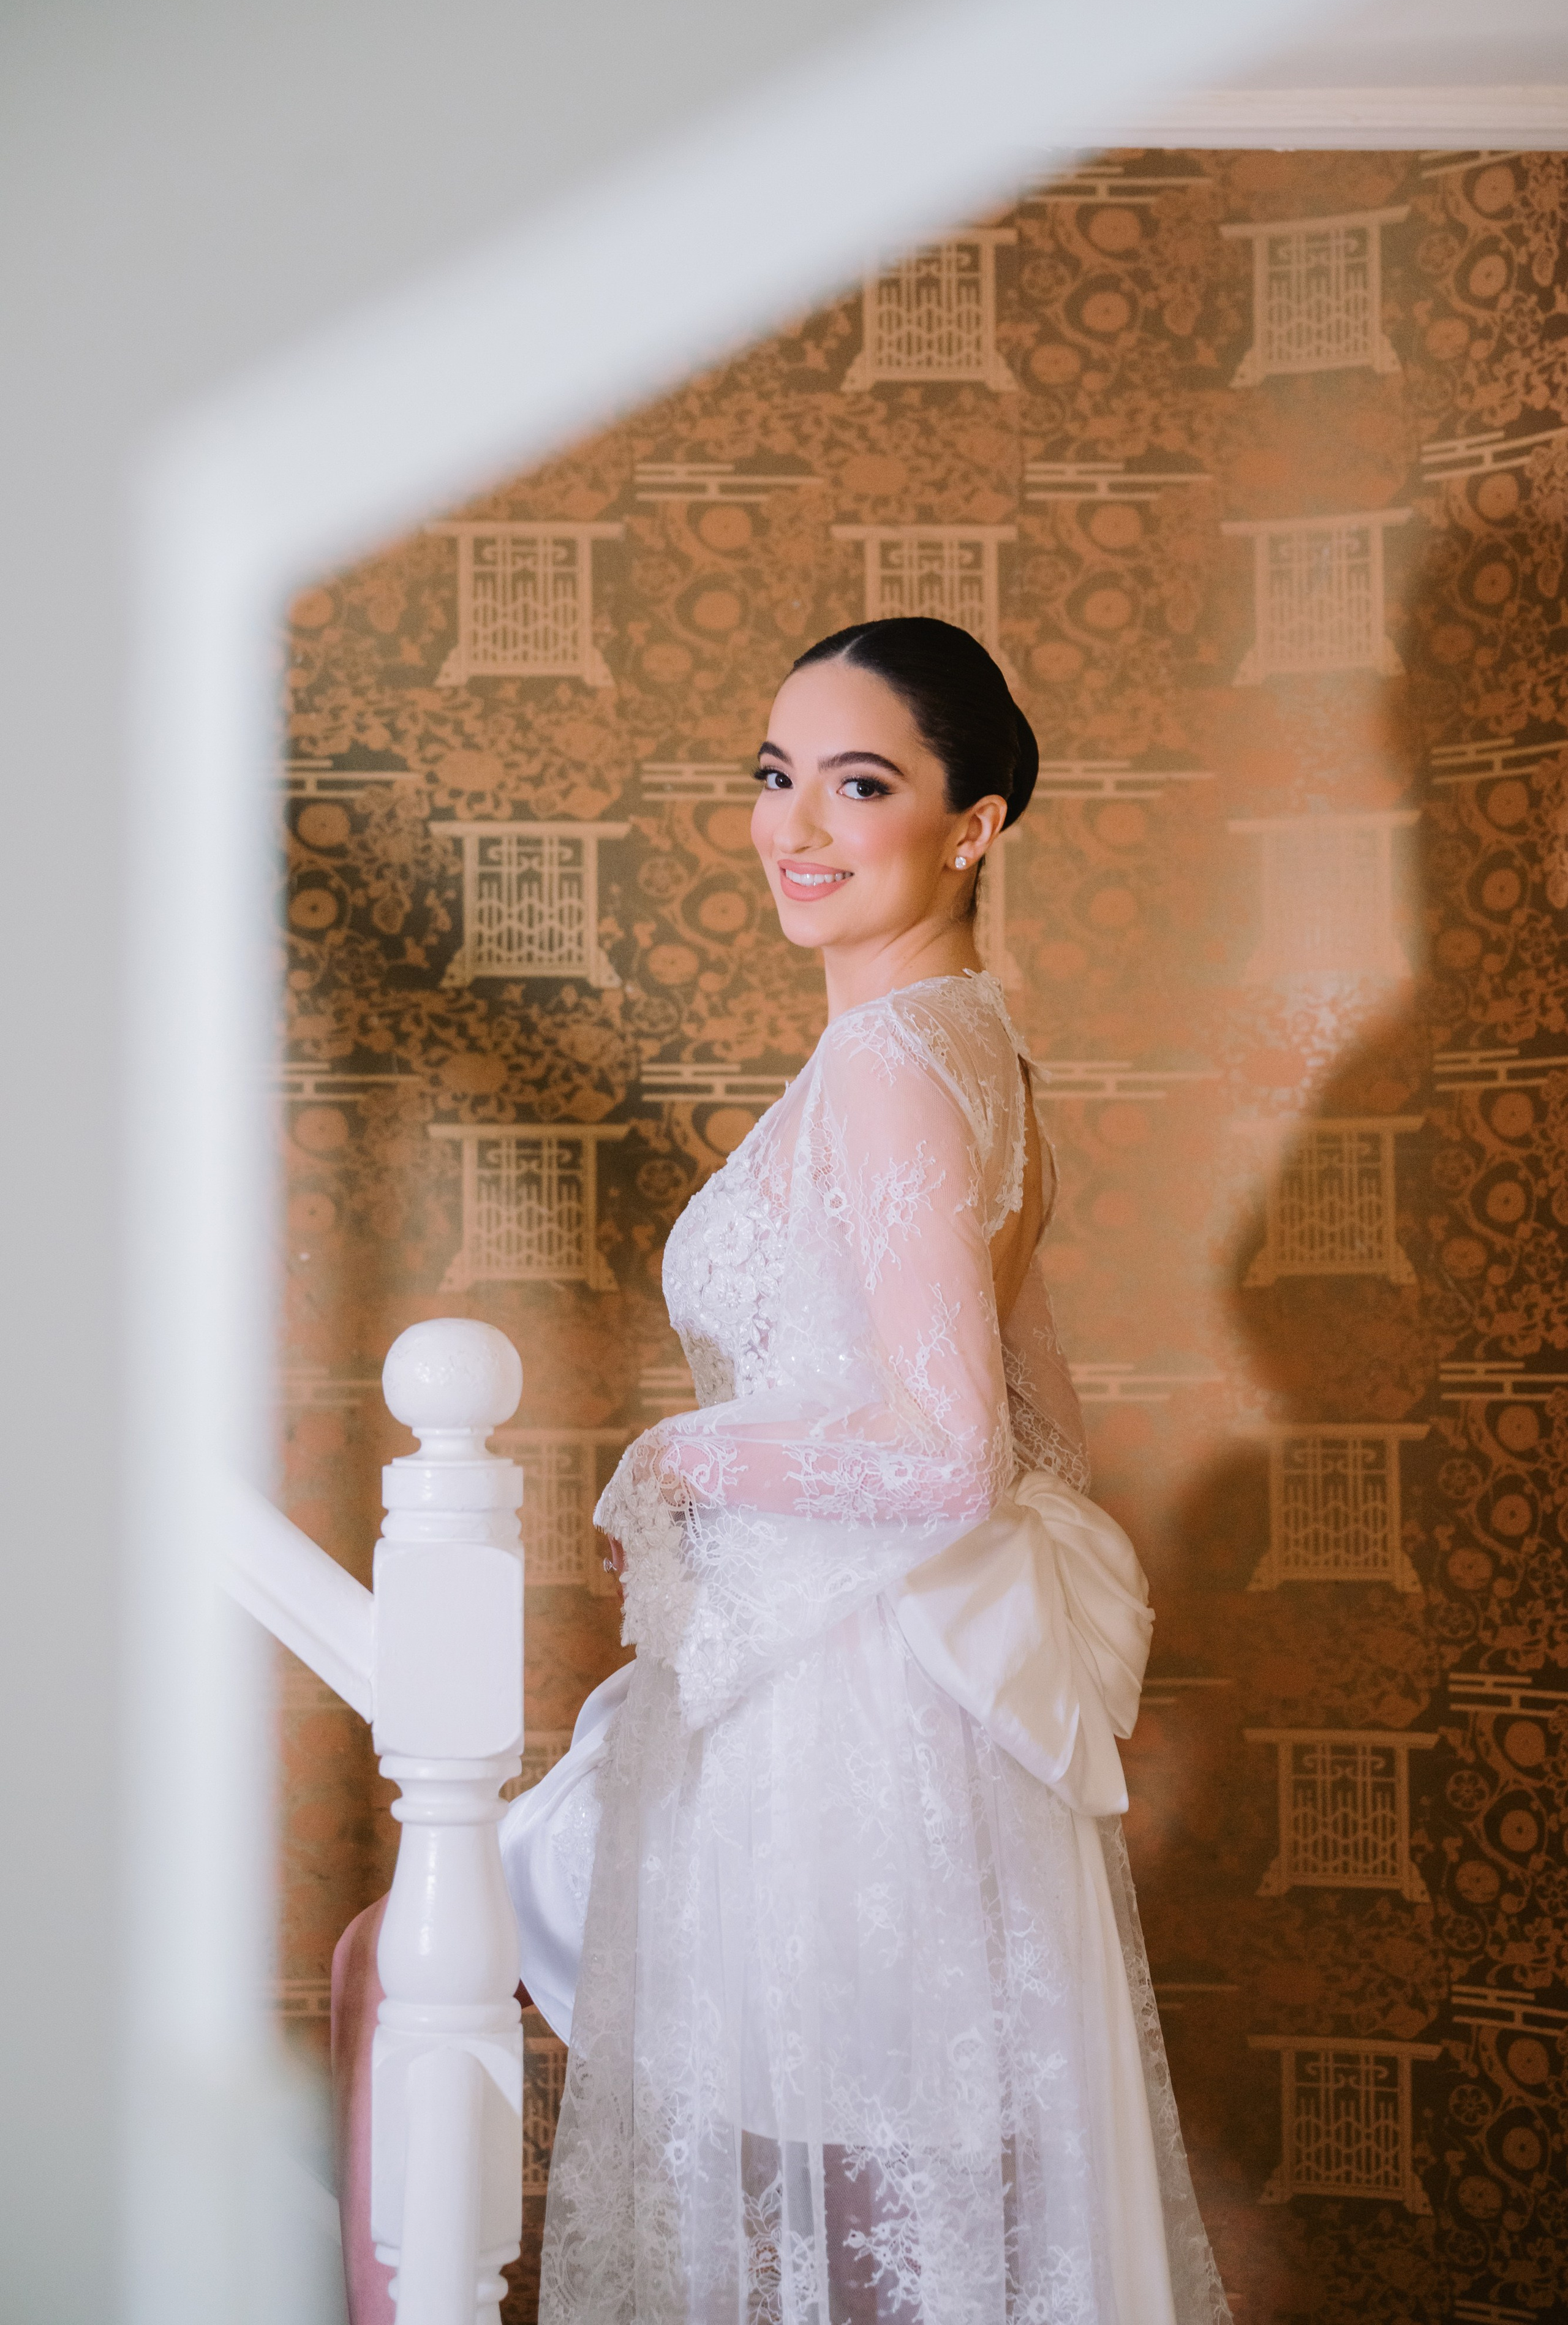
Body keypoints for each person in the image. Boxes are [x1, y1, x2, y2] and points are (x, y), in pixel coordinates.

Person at [333, 616, 1231, 2325]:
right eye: (774, 778)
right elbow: (1050, 1428)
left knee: (845, 2211)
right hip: (846, 1692)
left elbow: (959, 1457)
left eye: (861, 783)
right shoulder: (971, 1055)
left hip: (843, 1727)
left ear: (973, 824)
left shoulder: (898, 1069)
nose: (796, 827)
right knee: (865, 2209)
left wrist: (686, 1454)